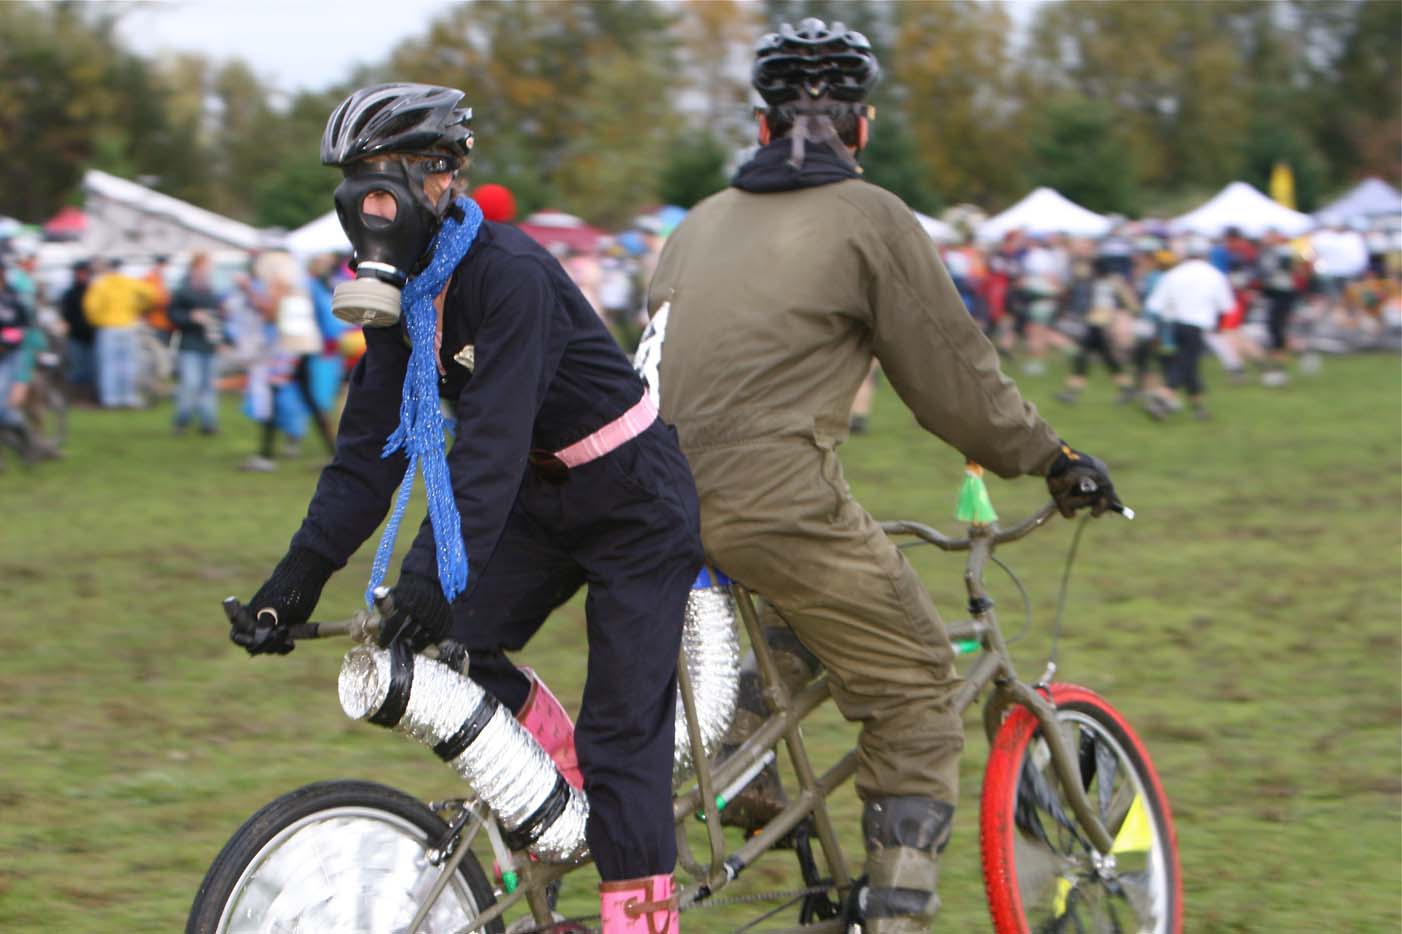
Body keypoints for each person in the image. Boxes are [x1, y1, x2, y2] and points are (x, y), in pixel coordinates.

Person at [642, 20, 1119, 932]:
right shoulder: (869, 217)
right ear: (861, 128)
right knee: (915, 687)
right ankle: (892, 912)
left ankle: (742, 750)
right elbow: (953, 376)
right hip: (770, 498)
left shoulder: (694, 226)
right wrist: (1051, 459)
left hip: (651, 501)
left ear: (757, 124)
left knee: (823, 602)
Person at [232, 83, 701, 932]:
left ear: (442, 180)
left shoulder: (510, 274)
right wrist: (294, 577)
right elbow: (369, 454)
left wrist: (426, 578)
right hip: (538, 491)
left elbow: (484, 447)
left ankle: (638, 911)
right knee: (447, 650)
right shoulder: (400, 296)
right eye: (353, 178)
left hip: (633, 499)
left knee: (624, 741)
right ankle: (547, 787)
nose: (364, 202)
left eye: (385, 177)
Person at [1142, 238, 1236, 420]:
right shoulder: (1215, 275)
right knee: (1186, 364)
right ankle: (1165, 394)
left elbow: (1155, 305)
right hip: (1197, 326)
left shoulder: (1174, 274)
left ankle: (1199, 408)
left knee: (1189, 365)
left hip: (1174, 325)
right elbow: (1226, 306)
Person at [83, 258, 156, 408]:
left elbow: (91, 306)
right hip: (128, 325)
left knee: (109, 364)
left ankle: (110, 398)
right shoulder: (129, 282)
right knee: (128, 363)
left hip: (108, 327)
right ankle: (128, 396)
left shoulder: (101, 283)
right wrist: (138, 308)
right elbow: (150, 294)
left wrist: (97, 320)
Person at [168, 252, 223, 435]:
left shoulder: (211, 291)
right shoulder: (183, 290)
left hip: (208, 344)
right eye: (204, 266)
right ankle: (181, 420)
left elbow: (218, 318)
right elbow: (173, 315)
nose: (207, 270)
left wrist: (220, 338)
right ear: (195, 267)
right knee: (190, 384)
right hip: (190, 344)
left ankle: (209, 423)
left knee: (207, 386)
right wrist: (190, 317)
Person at [60, 260, 96, 396]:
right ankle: (77, 395)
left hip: (92, 335)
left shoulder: (94, 291)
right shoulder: (70, 294)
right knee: (77, 366)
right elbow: (65, 314)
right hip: (75, 335)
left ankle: (90, 394)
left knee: (91, 367)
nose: (83, 276)